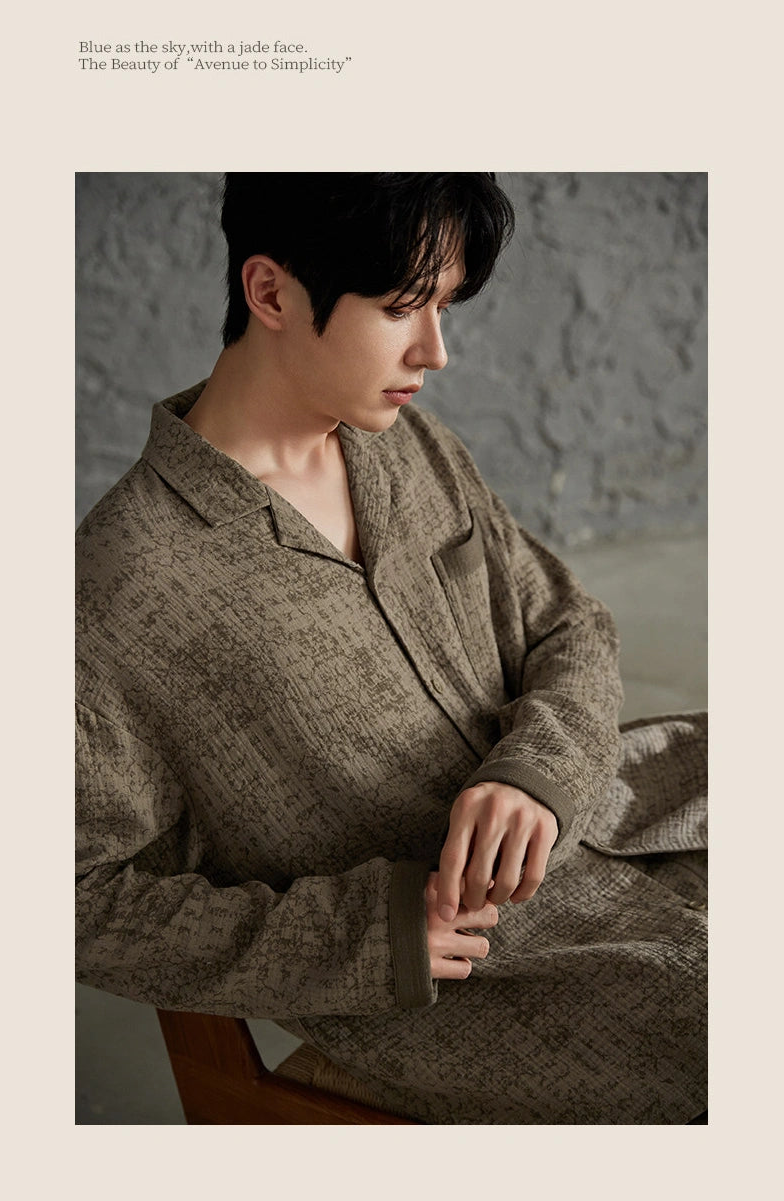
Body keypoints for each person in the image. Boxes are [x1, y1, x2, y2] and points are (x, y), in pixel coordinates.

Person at [76, 172, 707, 1124]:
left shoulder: (409, 446)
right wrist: (364, 938)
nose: (435, 351)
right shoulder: (122, 582)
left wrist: (536, 771)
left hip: (631, 806)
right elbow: (73, 896)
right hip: (493, 978)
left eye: (443, 306)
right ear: (271, 291)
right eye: (402, 306)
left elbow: (568, 622)